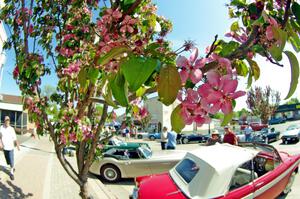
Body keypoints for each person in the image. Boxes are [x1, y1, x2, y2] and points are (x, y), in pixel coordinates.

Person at [0, 116, 20, 180]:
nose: (7, 121)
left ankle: (11, 173)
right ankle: (12, 166)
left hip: (11, 147)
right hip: (5, 148)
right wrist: (0, 143)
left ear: (9, 121)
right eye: (6, 120)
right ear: (4, 121)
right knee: (8, 161)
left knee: (11, 160)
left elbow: (15, 138)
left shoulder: (11, 129)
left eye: (8, 120)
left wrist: (17, 145)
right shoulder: (1, 128)